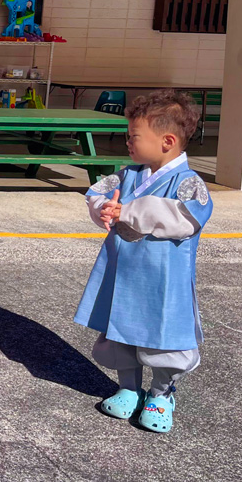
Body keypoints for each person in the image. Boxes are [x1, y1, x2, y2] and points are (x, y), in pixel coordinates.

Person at [75, 89, 212, 434]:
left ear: (167, 141)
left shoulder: (188, 183)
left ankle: (162, 393)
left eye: (134, 136)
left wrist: (131, 210)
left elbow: (186, 217)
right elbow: (98, 192)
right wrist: (103, 208)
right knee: (120, 328)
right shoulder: (129, 173)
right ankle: (128, 387)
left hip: (162, 279)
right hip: (124, 272)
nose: (127, 143)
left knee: (163, 335)